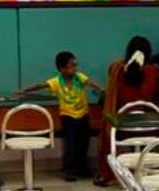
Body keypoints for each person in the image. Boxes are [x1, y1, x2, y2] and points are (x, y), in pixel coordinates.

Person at [20, 51, 102, 183]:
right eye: (72, 65)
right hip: (67, 116)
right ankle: (69, 170)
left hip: (83, 114)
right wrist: (24, 90)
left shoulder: (77, 78)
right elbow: (41, 85)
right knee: (70, 144)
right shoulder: (57, 81)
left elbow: (90, 83)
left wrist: (101, 90)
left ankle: (82, 168)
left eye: (76, 65)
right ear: (62, 68)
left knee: (83, 143)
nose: (75, 68)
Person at [96, 34, 159, 185]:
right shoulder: (154, 72)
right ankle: (146, 172)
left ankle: (114, 174)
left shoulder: (116, 69)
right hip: (149, 128)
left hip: (122, 128)